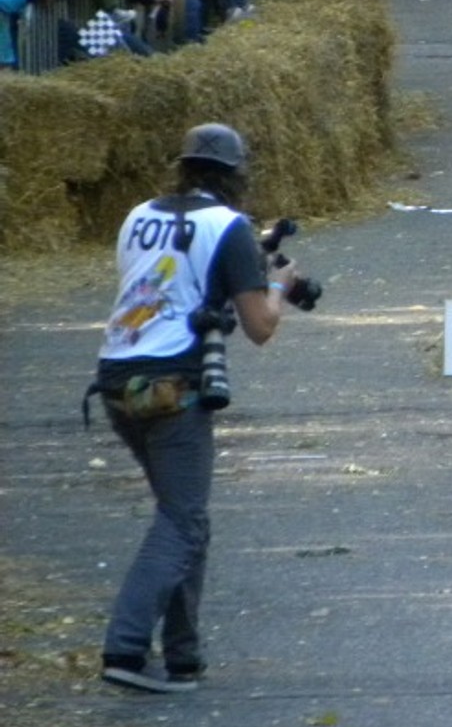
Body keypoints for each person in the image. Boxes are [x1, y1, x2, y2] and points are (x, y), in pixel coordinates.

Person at [93, 124, 302, 693]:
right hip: (174, 388)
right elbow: (259, 328)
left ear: (183, 168)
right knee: (182, 520)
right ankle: (126, 648)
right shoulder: (228, 227)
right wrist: (276, 286)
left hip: (116, 380)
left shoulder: (138, 215)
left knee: (185, 516)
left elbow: (162, 284)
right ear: (237, 175)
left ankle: (184, 654)